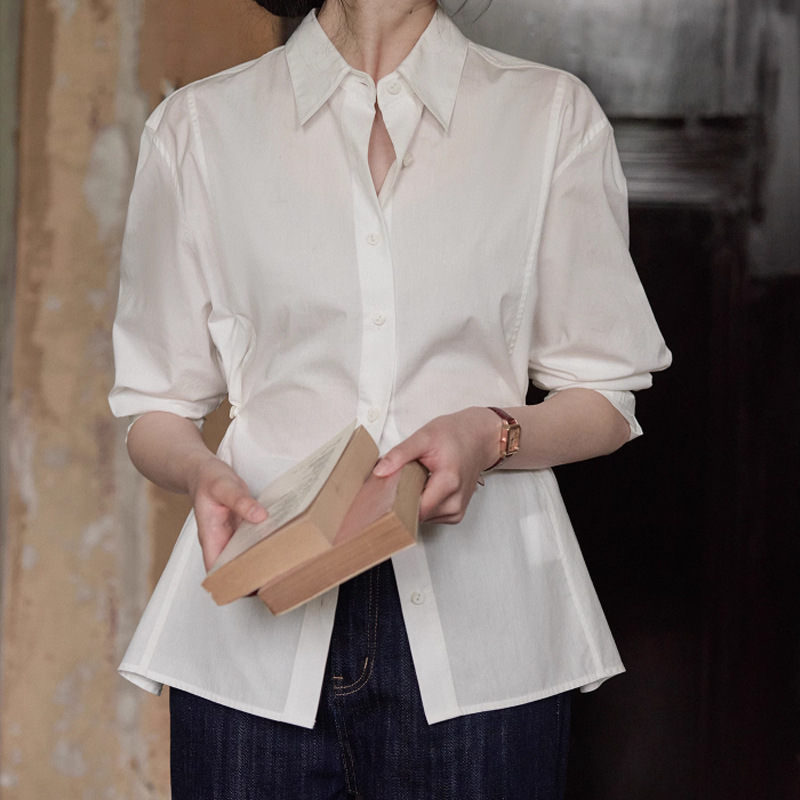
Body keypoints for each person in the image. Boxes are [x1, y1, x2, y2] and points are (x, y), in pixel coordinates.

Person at [109, 0, 671, 797]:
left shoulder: (548, 115)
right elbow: (155, 405)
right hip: (253, 641)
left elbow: (607, 396)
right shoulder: (198, 129)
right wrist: (201, 473)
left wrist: (489, 435)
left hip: (485, 649)